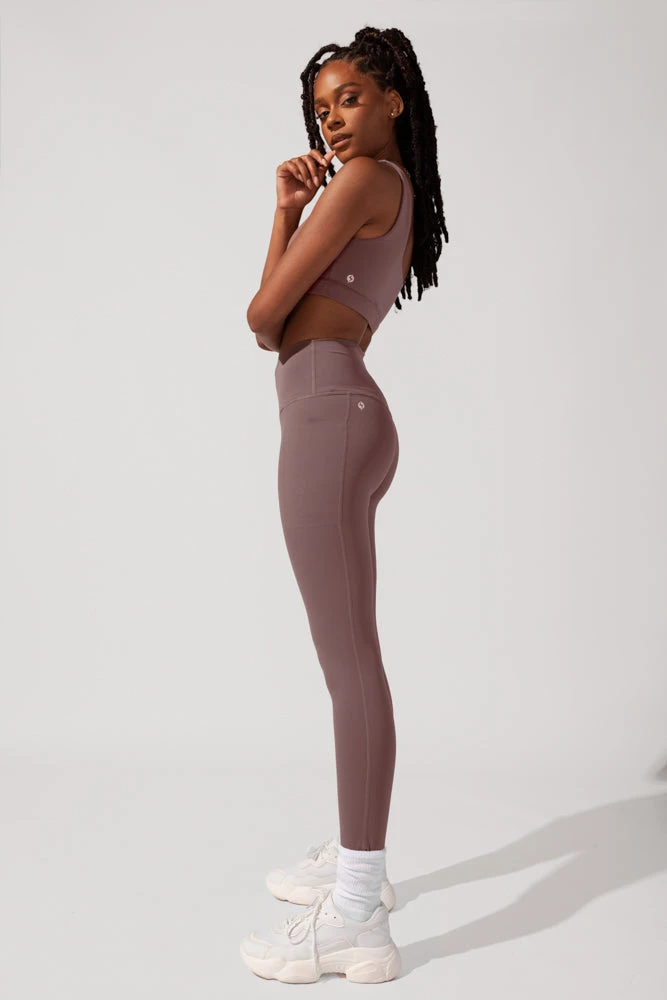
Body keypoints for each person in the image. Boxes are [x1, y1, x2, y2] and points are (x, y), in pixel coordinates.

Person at [241, 25, 449, 984]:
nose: (331, 119)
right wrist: (288, 209)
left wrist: (291, 218)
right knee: (350, 658)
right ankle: (356, 860)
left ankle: (359, 909)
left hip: (328, 415)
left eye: (350, 98)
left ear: (393, 100)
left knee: (348, 664)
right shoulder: (374, 187)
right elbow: (272, 313)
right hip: (341, 410)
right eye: (319, 108)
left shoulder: (365, 179)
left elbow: (262, 317)